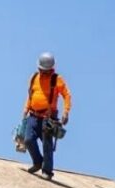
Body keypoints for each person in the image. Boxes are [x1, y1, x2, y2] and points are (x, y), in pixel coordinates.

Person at [22, 52, 72, 180]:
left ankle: (47, 171)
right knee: (28, 140)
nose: (43, 72)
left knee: (47, 145)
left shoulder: (57, 79)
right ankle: (38, 162)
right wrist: (25, 110)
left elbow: (67, 95)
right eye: (41, 69)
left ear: (51, 69)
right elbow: (31, 95)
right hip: (33, 115)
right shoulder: (34, 77)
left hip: (48, 118)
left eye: (45, 70)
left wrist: (66, 112)